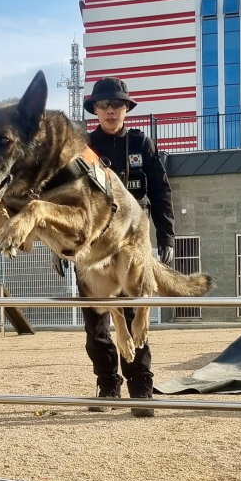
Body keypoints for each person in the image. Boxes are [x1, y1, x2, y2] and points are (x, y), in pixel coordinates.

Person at [82, 77, 175, 417]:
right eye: (103, 105)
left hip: (133, 243)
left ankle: (141, 388)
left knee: (136, 315)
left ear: (126, 109)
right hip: (92, 247)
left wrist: (167, 238)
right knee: (97, 323)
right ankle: (108, 385)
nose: (110, 110)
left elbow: (161, 191)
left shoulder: (142, 144)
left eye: (116, 105)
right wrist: (60, 250)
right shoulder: (83, 147)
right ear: (95, 109)